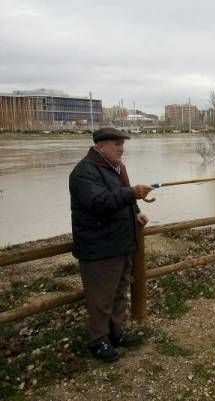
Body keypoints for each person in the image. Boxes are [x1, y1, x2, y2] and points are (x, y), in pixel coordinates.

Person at [69, 127, 154, 362]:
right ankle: (98, 342)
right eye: (116, 143)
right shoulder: (83, 172)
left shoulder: (116, 168)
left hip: (120, 243)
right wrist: (132, 193)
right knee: (100, 298)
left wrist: (136, 211)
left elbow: (122, 197)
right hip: (98, 247)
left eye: (122, 143)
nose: (121, 148)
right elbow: (99, 202)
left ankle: (116, 334)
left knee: (119, 292)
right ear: (100, 146)